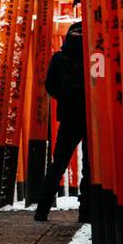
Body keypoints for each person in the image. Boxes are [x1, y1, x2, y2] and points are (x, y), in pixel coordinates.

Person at [33, 20, 91, 223]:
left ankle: (42, 211)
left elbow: (50, 85)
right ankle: (86, 213)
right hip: (91, 118)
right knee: (90, 168)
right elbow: (100, 83)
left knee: (58, 164)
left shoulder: (58, 58)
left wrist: (65, 98)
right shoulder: (95, 58)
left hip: (68, 117)